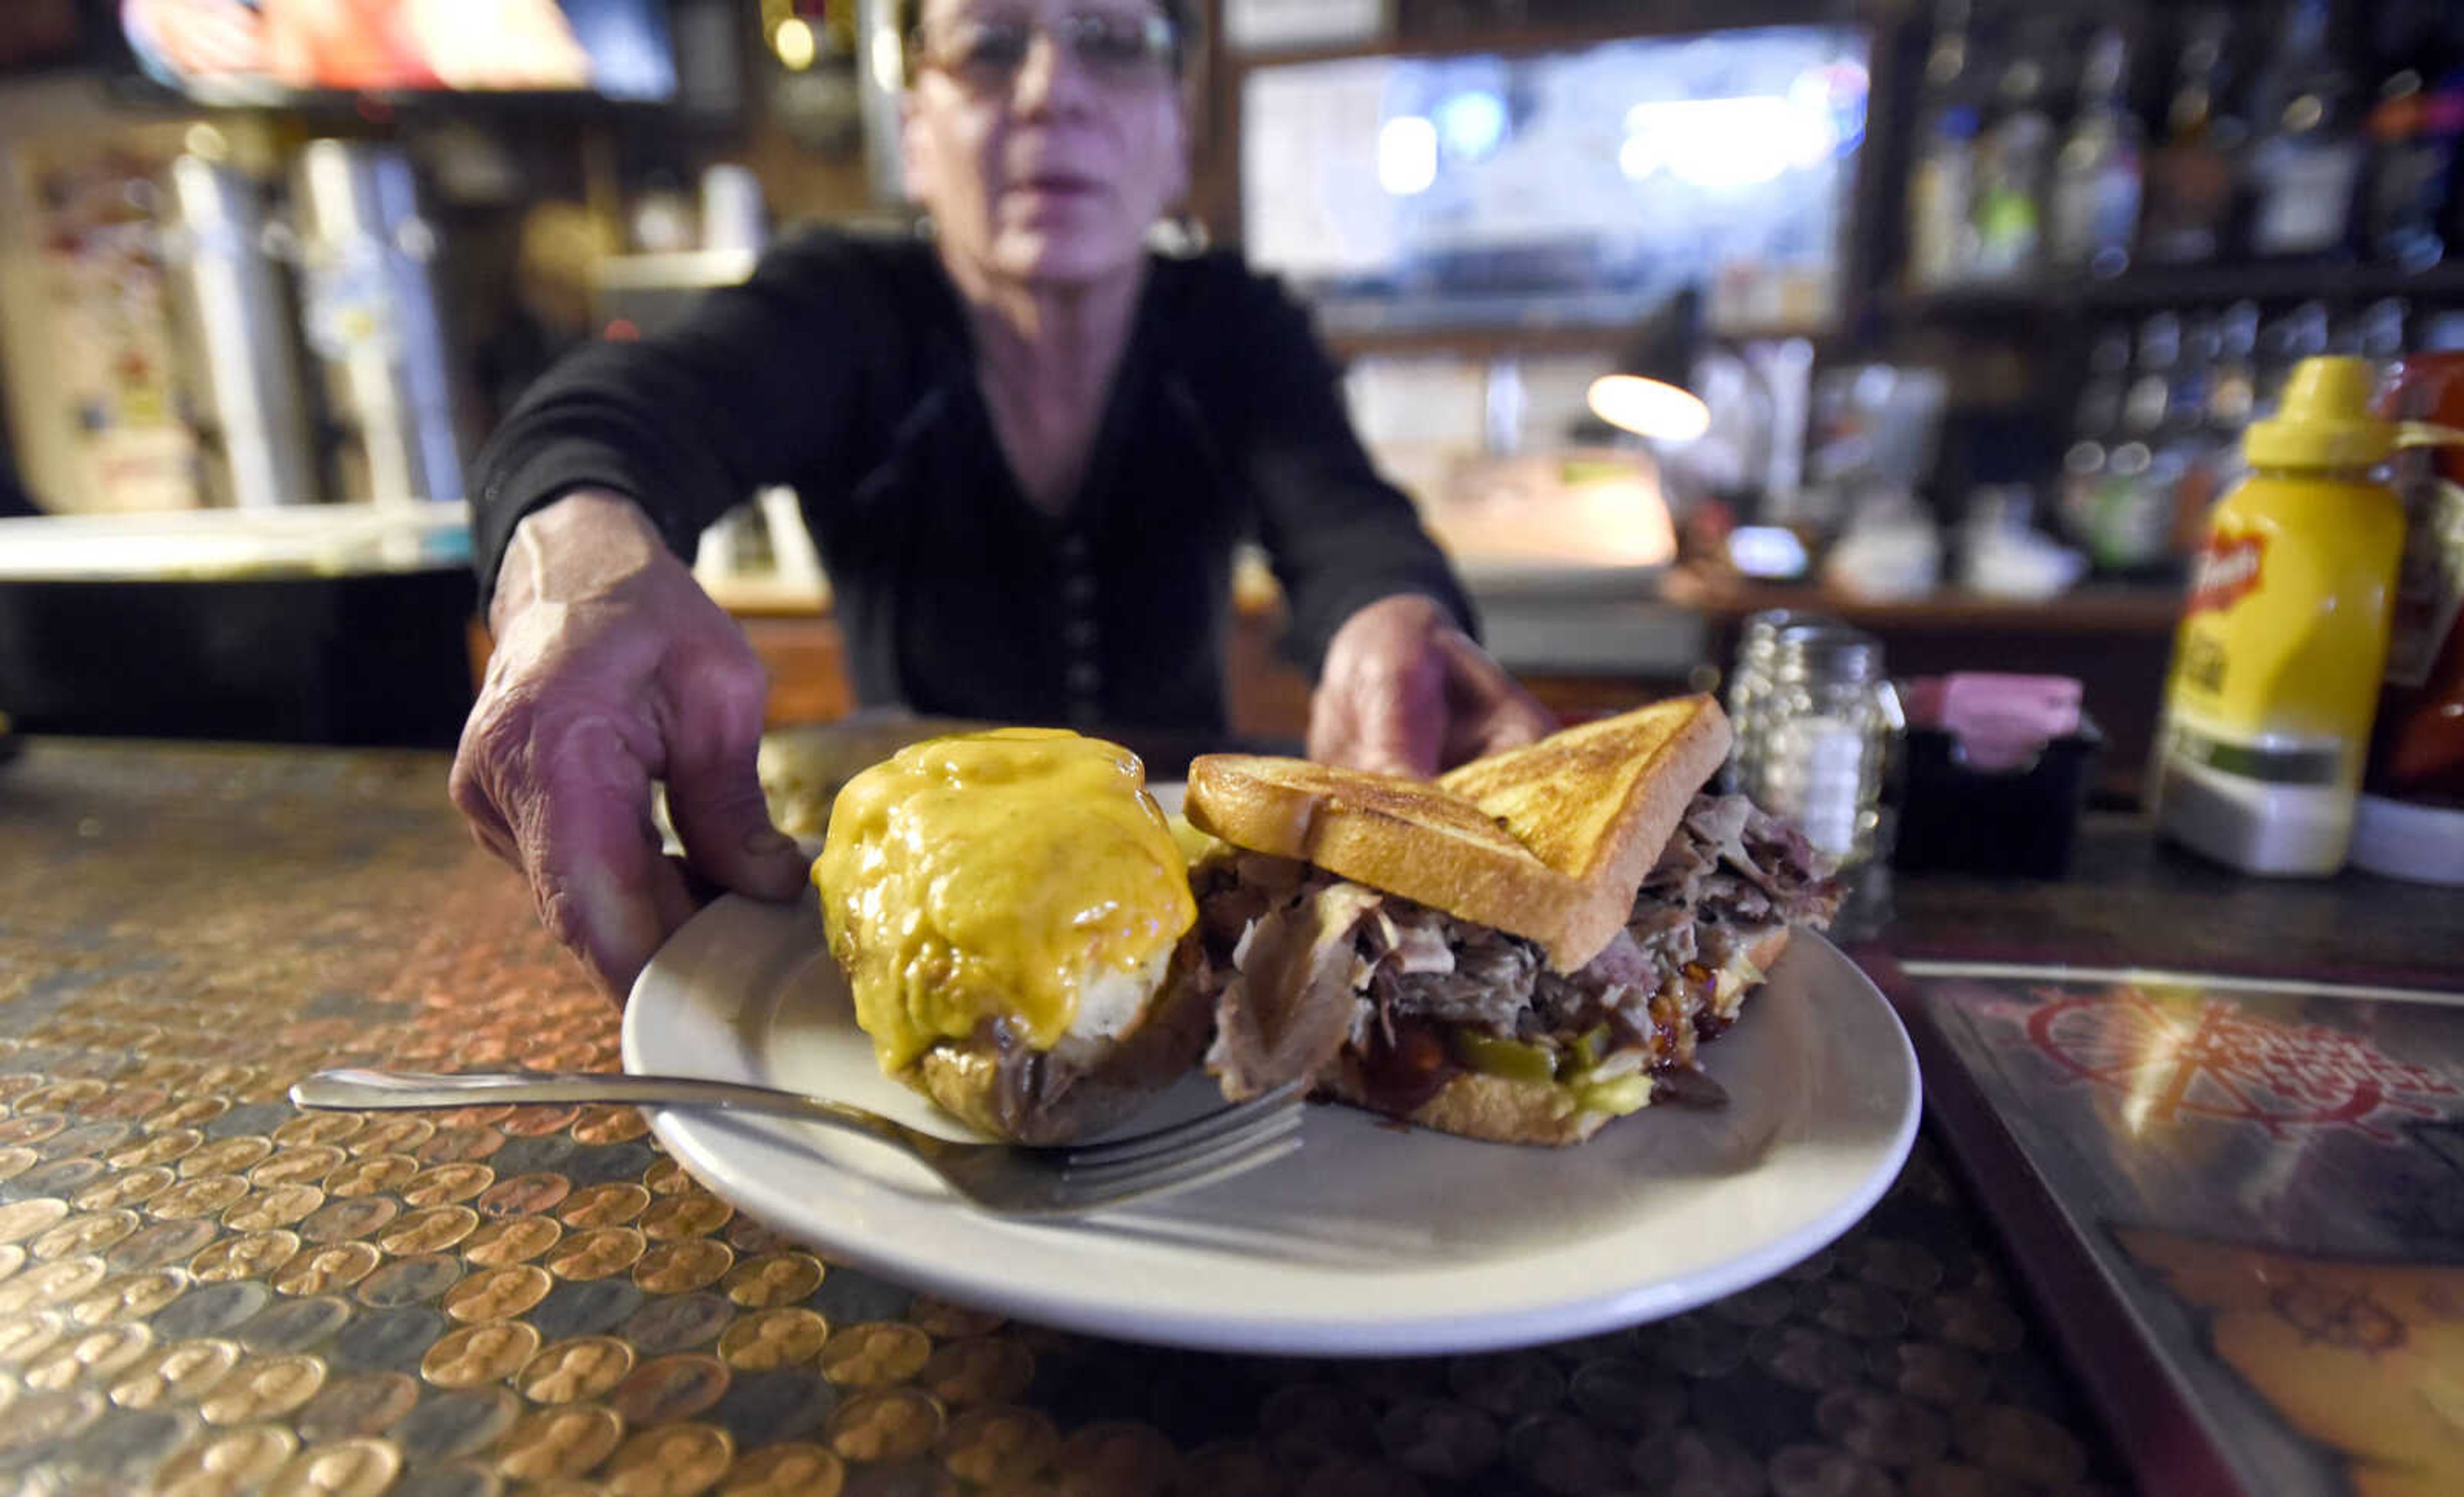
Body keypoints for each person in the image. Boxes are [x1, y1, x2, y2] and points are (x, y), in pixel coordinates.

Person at [452, 0, 1557, 999]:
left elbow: (1347, 522)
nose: (1050, 92)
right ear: (915, 131)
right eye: (989, 45)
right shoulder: (847, 309)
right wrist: (576, 558)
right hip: (917, 898)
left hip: (1171, 894)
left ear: (1177, 129)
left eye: (1114, 44)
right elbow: (613, 414)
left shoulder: (1234, 325)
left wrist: (1392, 617)